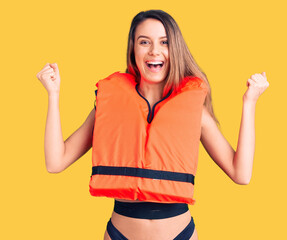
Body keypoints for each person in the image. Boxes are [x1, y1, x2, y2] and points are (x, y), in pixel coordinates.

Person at [36, 10, 269, 240]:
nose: (154, 51)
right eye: (144, 42)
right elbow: (56, 162)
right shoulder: (110, 103)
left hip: (180, 234)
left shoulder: (193, 108)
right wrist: (53, 95)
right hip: (120, 233)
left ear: (174, 49)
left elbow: (241, 174)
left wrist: (250, 103)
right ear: (133, 49)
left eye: (164, 42)